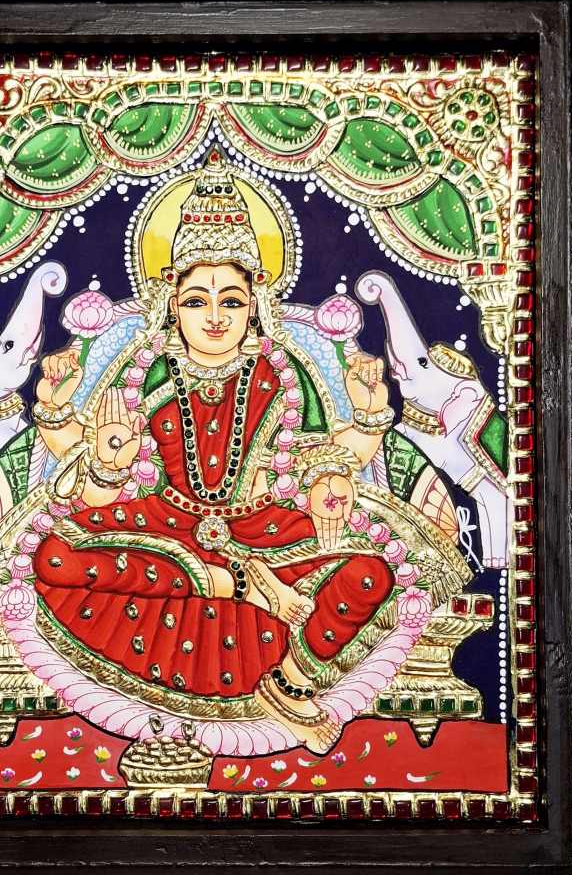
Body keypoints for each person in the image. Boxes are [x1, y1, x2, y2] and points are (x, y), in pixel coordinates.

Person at [29, 150, 397, 752]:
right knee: (54, 557)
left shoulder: (281, 373)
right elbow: (94, 476)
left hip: (262, 530)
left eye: (231, 300)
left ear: (255, 302)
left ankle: (290, 682)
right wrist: (78, 431)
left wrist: (364, 424)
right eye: (197, 300)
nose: (216, 318)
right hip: (167, 526)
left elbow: (324, 461)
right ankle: (229, 585)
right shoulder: (145, 371)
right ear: (171, 302)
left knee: (370, 572)